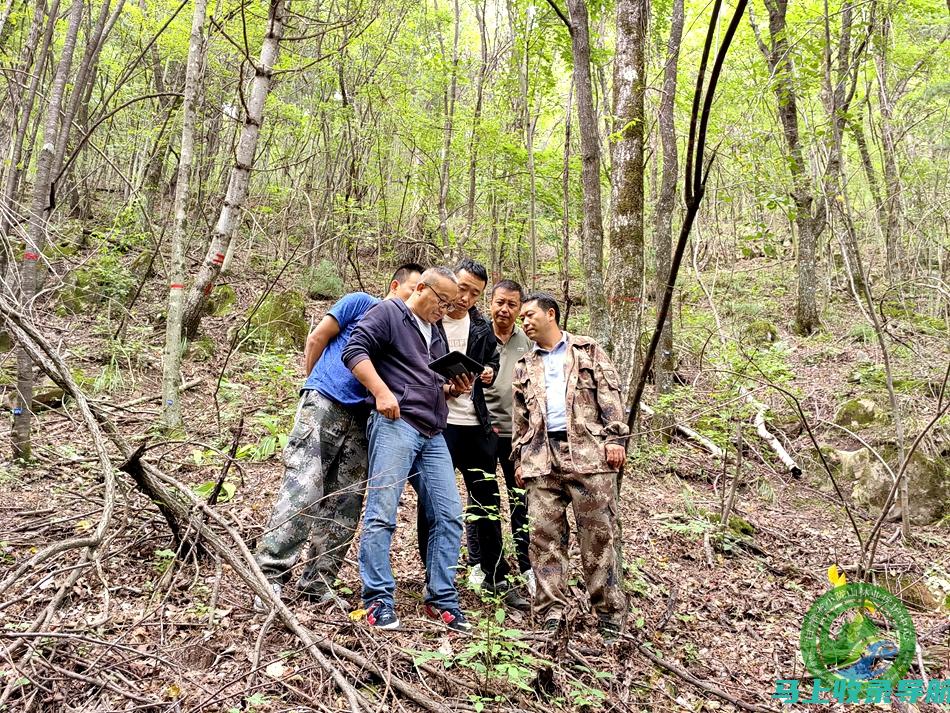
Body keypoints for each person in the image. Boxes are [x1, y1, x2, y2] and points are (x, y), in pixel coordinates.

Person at [253, 264, 424, 611]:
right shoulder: (361, 303)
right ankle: (270, 575)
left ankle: (319, 583)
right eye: (413, 288)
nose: (417, 296)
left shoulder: (408, 332)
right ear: (395, 285)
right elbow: (317, 337)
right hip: (326, 403)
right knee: (304, 486)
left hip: (364, 418)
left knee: (345, 502)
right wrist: (314, 383)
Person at [342, 266, 473, 631]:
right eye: (442, 301)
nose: (445, 310)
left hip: (433, 431)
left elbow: (430, 380)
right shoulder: (389, 312)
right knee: (382, 512)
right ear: (420, 288)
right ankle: (378, 600)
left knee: (449, 515)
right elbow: (354, 351)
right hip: (396, 424)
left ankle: (442, 600)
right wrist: (381, 393)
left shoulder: (436, 333)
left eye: (450, 305)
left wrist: (452, 389)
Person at [511, 293, 629, 641]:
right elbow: (520, 417)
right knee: (543, 538)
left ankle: (609, 614)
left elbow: (610, 394)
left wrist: (615, 439)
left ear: (551, 314)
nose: (525, 322)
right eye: (522, 318)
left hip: (589, 454)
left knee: (599, 536)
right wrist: (519, 457)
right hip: (541, 459)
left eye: (530, 315)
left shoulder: (586, 350)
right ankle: (551, 613)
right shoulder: (524, 364)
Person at [415, 260, 527, 608]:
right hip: (439, 425)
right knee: (431, 504)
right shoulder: (427, 320)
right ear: (451, 282)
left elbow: (490, 361)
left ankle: (496, 578)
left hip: (478, 424)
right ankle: (434, 576)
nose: (464, 298)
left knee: (487, 500)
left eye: (474, 293)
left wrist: (489, 371)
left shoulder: (481, 327)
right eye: (461, 288)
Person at [482, 279, 534, 593]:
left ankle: (527, 566)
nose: (504, 309)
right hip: (484, 431)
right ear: (491, 302)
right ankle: (485, 566)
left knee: (521, 500)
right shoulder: (477, 334)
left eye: (512, 304)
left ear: (519, 308)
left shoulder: (526, 340)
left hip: (518, 436)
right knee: (483, 499)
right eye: (500, 302)